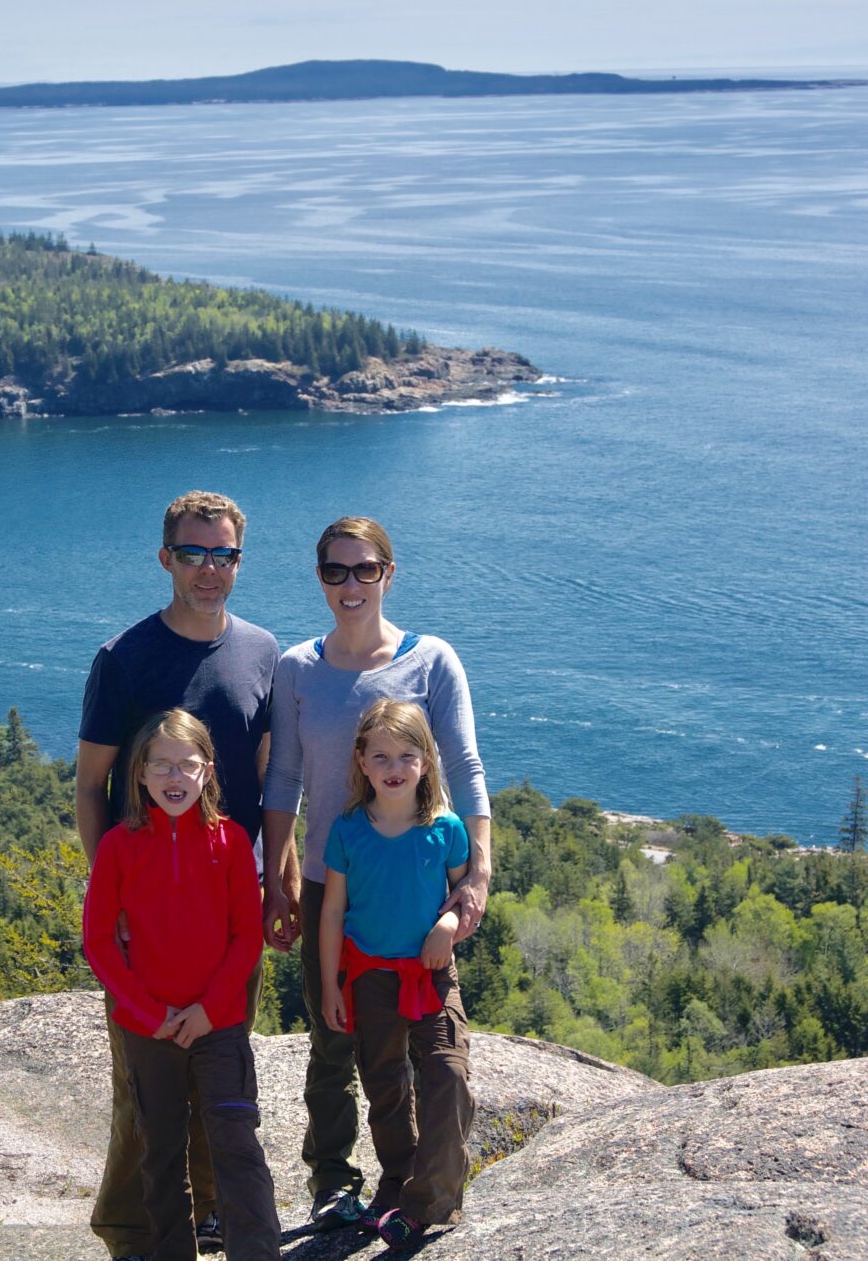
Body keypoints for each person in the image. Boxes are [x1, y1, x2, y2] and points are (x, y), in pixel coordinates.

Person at [260, 515, 493, 1229]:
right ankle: (334, 1181)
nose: (351, 584)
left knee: (419, 1047)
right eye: (336, 571)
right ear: (321, 579)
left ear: (388, 574)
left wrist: (476, 876)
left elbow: (465, 767)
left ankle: (414, 1191)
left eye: (365, 569)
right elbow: (284, 782)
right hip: (335, 877)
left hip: (419, 883)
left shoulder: (432, 660)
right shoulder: (298, 667)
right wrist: (279, 876)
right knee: (334, 1041)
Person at [77, 490, 278, 1259]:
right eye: (193, 553)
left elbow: (268, 779)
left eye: (223, 554)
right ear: (166, 558)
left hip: (230, 903)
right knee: (147, 1083)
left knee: (219, 1071)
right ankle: (135, 1231)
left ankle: (213, 1217)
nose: (208, 569)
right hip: (145, 918)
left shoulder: (260, 652)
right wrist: (119, 897)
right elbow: (90, 787)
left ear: (238, 561)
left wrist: (277, 879)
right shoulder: (125, 658)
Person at [82, 709, 282, 1261]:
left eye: (186, 765)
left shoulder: (232, 842)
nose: (174, 778)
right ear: (140, 774)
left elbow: (246, 937)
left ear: (207, 772)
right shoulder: (120, 847)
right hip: (150, 1030)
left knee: (236, 1144)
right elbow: (99, 942)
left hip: (217, 1026)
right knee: (161, 1155)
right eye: (161, 765)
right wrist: (150, 1015)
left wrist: (211, 1010)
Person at [318, 700, 475, 1250]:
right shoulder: (348, 830)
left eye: (408, 754)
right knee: (385, 1087)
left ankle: (427, 1202)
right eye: (381, 754)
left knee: (448, 1077)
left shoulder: (446, 829)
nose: (394, 766)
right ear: (361, 761)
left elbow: (464, 897)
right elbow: (333, 911)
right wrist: (333, 983)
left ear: (427, 762)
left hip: (431, 974)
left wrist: (448, 924)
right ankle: (395, 1185)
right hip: (370, 978)